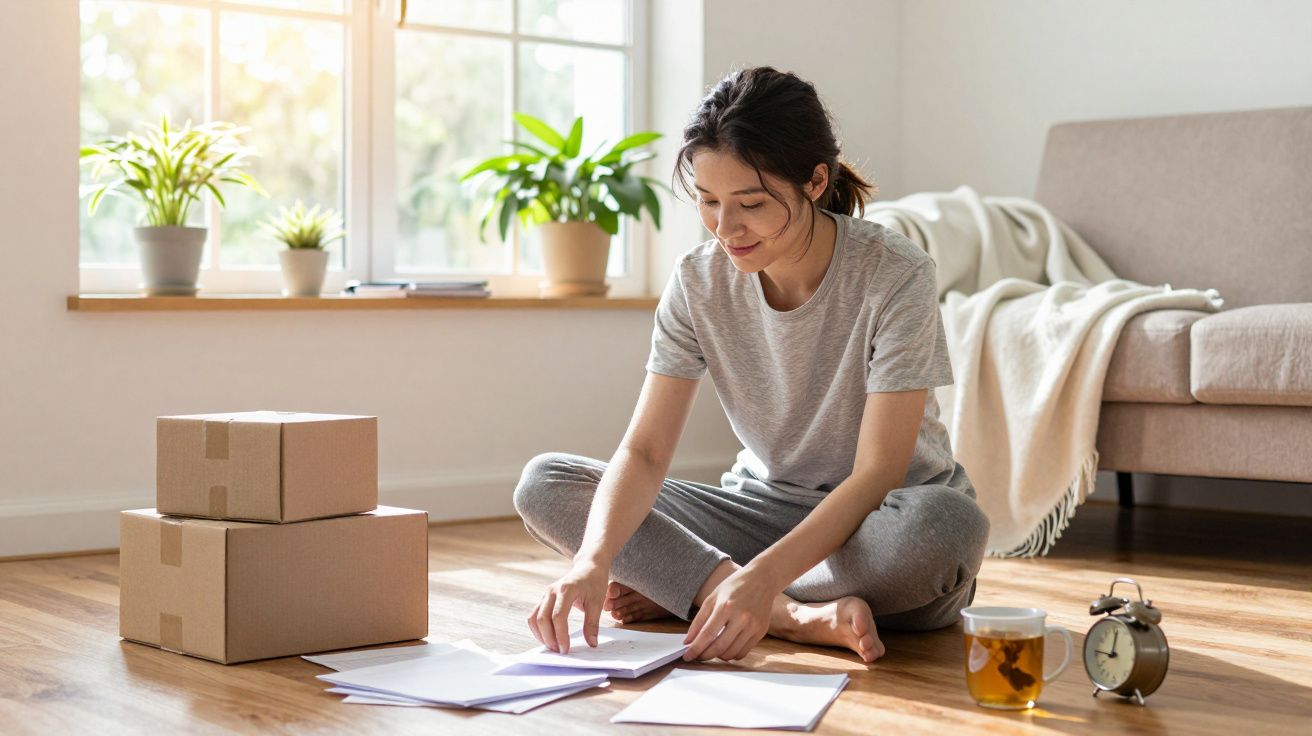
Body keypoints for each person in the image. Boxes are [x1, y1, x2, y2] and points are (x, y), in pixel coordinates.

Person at [513, 66, 989, 665]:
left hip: (882, 520)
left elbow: (877, 472)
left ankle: (705, 591)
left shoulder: (895, 274)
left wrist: (753, 580)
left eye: (751, 203)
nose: (725, 228)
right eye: (708, 201)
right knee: (547, 483)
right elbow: (645, 453)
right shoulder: (697, 281)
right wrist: (592, 562)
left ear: (816, 181)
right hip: (758, 511)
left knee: (944, 530)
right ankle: (791, 617)